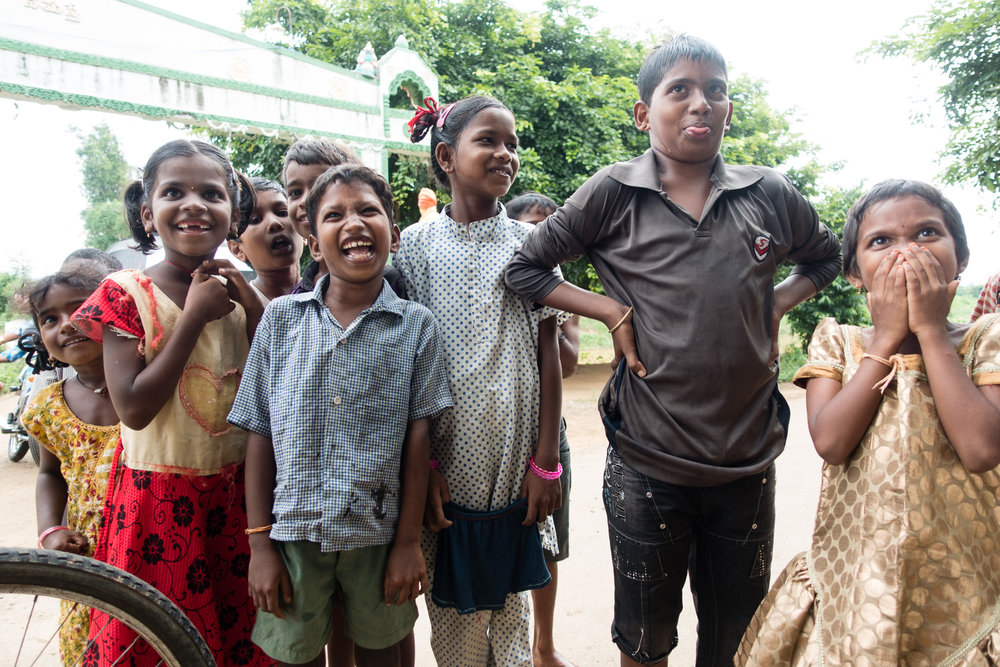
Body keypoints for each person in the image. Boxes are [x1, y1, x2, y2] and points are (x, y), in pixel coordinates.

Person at [504, 35, 842, 666]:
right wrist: (609, 309)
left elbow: (826, 256)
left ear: (729, 109)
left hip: (746, 461)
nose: (701, 103)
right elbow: (525, 269)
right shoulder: (613, 192)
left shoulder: (768, 192)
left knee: (738, 637)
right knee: (644, 638)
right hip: (647, 462)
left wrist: (776, 302)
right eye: (679, 90)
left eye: (715, 90)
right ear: (643, 113)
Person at [736, 179, 1000, 664]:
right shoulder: (839, 340)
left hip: (966, 584)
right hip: (854, 583)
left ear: (960, 258)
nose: (906, 252)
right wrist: (885, 342)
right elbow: (832, 442)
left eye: (926, 234)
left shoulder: (986, 338)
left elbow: (982, 449)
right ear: (855, 274)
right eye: (881, 241)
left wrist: (930, 332)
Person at [228, 164, 452, 667]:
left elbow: (419, 441)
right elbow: (260, 434)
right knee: (296, 656)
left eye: (368, 210)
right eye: (334, 215)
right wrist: (261, 547)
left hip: (377, 536)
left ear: (392, 235)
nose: (352, 223)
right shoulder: (281, 323)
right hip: (293, 536)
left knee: (381, 654)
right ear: (312, 239)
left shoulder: (416, 327)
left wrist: (407, 544)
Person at [71, 139, 269, 666]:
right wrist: (193, 320)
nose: (194, 204)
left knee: (236, 641)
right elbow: (133, 408)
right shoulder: (124, 291)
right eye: (174, 192)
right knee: (156, 640)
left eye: (212, 193)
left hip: (234, 501)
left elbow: (276, 385)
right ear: (147, 212)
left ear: (233, 215)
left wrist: (254, 311)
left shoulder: (241, 296)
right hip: (155, 505)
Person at [395, 96, 563, 666]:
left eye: (512, 144)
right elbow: (411, 366)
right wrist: (426, 471)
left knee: (512, 617)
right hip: (444, 472)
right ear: (445, 156)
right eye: (488, 140)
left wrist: (545, 463)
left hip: (517, 467)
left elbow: (549, 356)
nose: (505, 153)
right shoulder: (413, 249)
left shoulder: (532, 246)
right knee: (458, 627)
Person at [21, 267, 119, 664]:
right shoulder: (49, 405)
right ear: (41, 338)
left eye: (82, 309)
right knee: (90, 649)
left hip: (147, 538)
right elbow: (48, 473)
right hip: (86, 554)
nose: (68, 324)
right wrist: (50, 531)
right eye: (50, 318)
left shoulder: (149, 386)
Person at [506, 192, 579, 667]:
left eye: (547, 229)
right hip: (497, 434)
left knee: (548, 543)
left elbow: (569, 362)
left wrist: (547, 304)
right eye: (529, 228)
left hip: (549, 438)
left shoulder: (558, 288)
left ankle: (543, 644)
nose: (539, 237)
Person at [282, 138, 362, 294]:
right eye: (296, 192)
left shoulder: (386, 282)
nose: (304, 201)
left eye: (319, 186)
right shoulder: (298, 296)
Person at [228, 177, 303, 303]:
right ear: (237, 249)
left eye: (282, 213)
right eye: (255, 220)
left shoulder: (332, 298)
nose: (274, 223)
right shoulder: (235, 314)